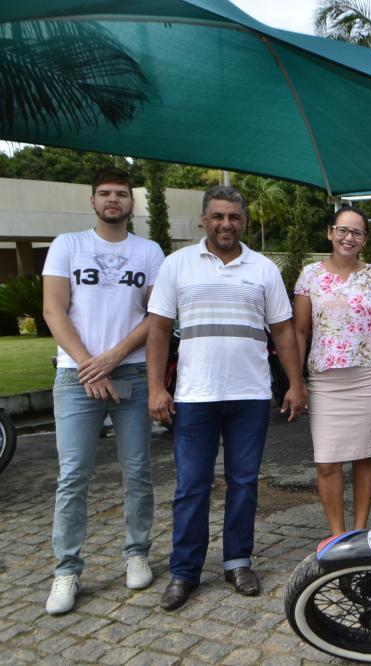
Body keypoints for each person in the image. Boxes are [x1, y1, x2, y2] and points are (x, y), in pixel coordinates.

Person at [146, 185, 307, 611]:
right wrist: (156, 388)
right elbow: (158, 330)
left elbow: (283, 331)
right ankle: (185, 572)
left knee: (244, 483)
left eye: (234, 217)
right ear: (204, 219)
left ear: (244, 222)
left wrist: (295, 383)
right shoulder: (177, 264)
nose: (225, 224)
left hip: (249, 394)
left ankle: (238, 562)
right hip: (194, 396)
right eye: (218, 216)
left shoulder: (264, 269)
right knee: (191, 487)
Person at [40, 167, 164, 615]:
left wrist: (112, 358)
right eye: (105, 193)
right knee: (73, 476)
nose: (114, 200)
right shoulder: (67, 245)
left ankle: (137, 553)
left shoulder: (149, 251)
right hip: (76, 379)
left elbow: (157, 315)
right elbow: (53, 311)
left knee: (138, 471)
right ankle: (67, 570)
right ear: (92, 200)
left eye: (122, 194)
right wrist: (90, 367)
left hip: (131, 373)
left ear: (132, 203)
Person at [292, 206, 371, 536]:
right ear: (330, 233)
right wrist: (295, 380)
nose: (348, 238)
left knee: (365, 458)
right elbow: (299, 331)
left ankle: (359, 532)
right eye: (343, 230)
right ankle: (338, 536)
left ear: (365, 239)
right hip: (325, 381)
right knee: (327, 462)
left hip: (369, 378)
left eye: (357, 232)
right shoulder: (310, 276)